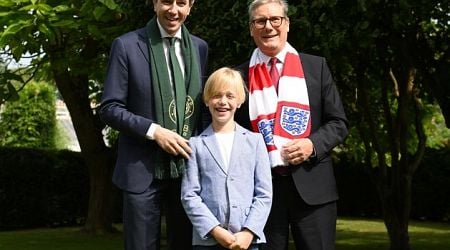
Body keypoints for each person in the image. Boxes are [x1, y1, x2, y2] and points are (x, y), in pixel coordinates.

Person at [234, 0, 349, 249]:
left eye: (275, 19)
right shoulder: (238, 76)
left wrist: (312, 144)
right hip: (260, 194)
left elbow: (338, 123)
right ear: (251, 28)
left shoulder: (316, 67)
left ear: (287, 24)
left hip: (313, 190)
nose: (269, 27)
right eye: (260, 21)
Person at [99, 0, 208, 249]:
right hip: (141, 170)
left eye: (181, 3)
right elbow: (110, 108)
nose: (173, 10)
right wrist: (154, 131)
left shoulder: (200, 48)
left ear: (191, 6)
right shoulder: (126, 45)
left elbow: (200, 108)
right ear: (154, 4)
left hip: (187, 172)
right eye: (166, 1)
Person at [181, 67, 273, 250]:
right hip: (208, 240)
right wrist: (214, 230)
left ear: (240, 101)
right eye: (216, 95)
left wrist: (249, 231)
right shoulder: (195, 144)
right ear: (207, 100)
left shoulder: (255, 142)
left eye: (230, 96)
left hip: (246, 240)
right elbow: (189, 195)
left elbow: (264, 193)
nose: (223, 102)